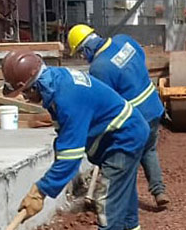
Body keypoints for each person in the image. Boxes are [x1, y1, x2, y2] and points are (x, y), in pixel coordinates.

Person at [1, 51, 151, 230]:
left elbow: (71, 157)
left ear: (31, 85)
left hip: (124, 138)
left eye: (26, 93)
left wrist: (41, 191)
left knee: (108, 199)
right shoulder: (55, 83)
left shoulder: (66, 97)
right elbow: (65, 140)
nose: (27, 99)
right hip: (123, 132)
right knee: (122, 195)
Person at [67, 24, 169, 209]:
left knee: (124, 159)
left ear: (86, 48)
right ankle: (159, 191)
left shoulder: (99, 68)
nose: (82, 57)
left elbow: (105, 101)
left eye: (81, 53)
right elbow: (141, 58)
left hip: (136, 119)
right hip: (154, 107)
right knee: (149, 150)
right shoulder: (124, 40)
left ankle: (118, 200)